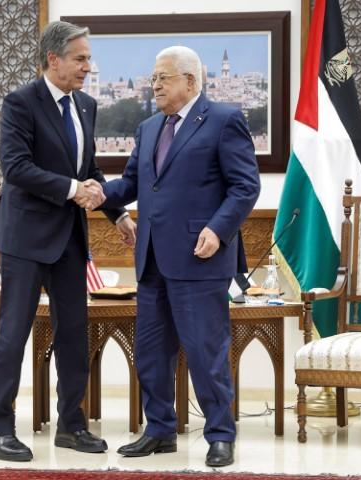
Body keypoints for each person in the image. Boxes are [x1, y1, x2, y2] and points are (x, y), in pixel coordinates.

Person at [0, 20, 136, 462]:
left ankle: (72, 425)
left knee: (73, 333)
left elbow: (89, 170)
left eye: (89, 58)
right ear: (54, 59)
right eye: (80, 58)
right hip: (25, 238)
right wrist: (73, 190)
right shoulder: (20, 103)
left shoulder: (86, 105)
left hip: (69, 238)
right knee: (14, 334)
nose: (88, 66)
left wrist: (117, 213)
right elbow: (16, 168)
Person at [99, 46, 260, 467]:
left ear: (190, 80)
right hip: (152, 259)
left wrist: (218, 229)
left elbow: (245, 186)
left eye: (163, 77)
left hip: (199, 258)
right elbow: (132, 184)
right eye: (153, 78)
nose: (154, 85)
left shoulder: (224, 120)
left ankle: (220, 435)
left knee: (206, 354)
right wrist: (97, 194)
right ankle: (159, 431)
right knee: (151, 354)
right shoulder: (149, 127)